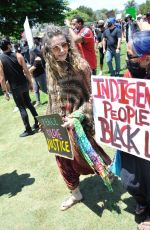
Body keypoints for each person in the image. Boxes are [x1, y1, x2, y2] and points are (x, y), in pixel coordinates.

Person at [42, 24, 112, 211]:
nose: (61, 50)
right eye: (56, 48)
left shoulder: (81, 66)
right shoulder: (50, 67)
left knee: (88, 154)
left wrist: (78, 116)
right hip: (57, 125)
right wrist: (48, 121)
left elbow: (92, 97)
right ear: (48, 50)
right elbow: (52, 96)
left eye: (64, 45)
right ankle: (75, 194)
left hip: (77, 123)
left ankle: (107, 171)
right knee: (62, 161)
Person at [112, 30, 150, 230]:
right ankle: (142, 201)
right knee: (129, 181)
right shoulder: (128, 74)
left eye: (130, 56)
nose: (126, 59)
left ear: (146, 59)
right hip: (131, 140)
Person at [0, 38, 39, 137]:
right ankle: (38, 123)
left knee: (22, 108)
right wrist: (30, 83)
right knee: (29, 104)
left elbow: (1, 78)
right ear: (9, 45)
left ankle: (28, 129)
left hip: (15, 87)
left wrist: (5, 92)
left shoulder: (0, 60)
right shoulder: (18, 55)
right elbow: (26, 71)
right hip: (24, 84)